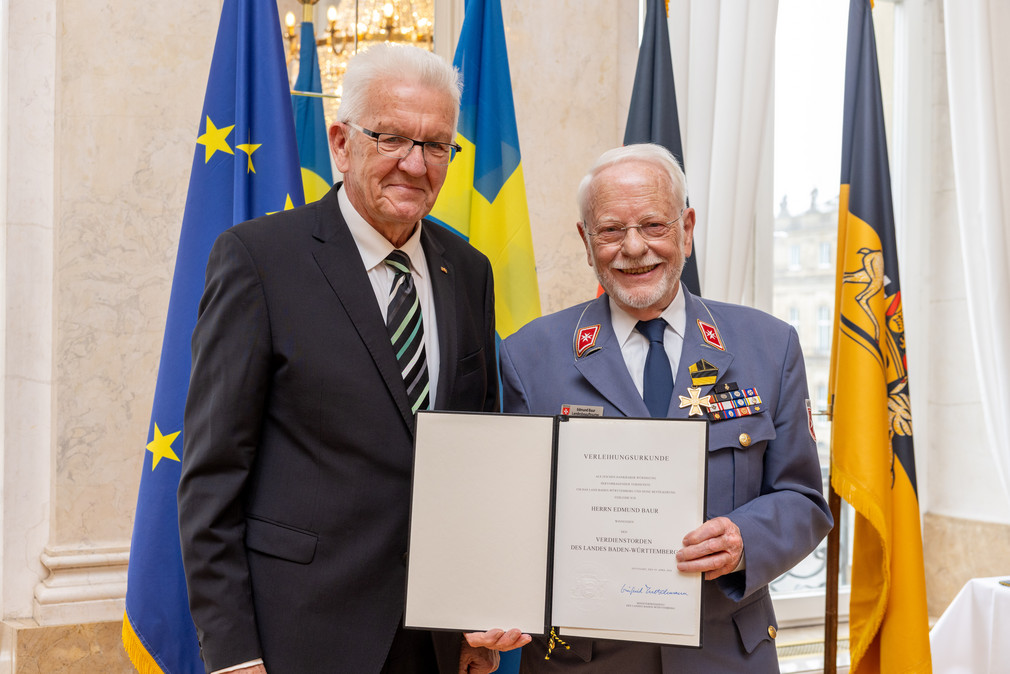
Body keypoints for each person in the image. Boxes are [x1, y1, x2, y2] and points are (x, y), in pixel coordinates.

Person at [178, 44, 525, 674]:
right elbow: (212, 476)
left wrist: (473, 624)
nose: (415, 165)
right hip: (301, 637)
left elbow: (472, 464)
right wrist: (232, 654)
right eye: (391, 137)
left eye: (437, 145)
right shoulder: (259, 261)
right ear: (341, 142)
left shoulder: (468, 269)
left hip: (434, 641)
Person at [499, 144, 833, 672]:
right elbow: (508, 513)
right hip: (586, 660)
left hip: (725, 654)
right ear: (587, 242)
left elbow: (803, 499)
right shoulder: (528, 355)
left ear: (687, 229)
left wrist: (746, 539)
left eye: (654, 225)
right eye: (610, 231)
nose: (634, 248)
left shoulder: (768, 345)